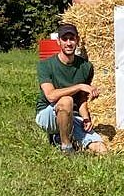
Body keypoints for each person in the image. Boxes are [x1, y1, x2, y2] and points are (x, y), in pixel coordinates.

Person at [35, 23, 107, 154]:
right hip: (48, 114)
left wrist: (86, 118)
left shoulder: (85, 67)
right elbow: (50, 95)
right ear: (58, 41)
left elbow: (81, 100)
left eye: (72, 39)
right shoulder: (45, 65)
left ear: (77, 40)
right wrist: (79, 86)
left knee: (101, 149)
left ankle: (60, 137)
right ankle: (66, 148)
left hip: (73, 117)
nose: (69, 43)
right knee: (66, 101)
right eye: (65, 39)